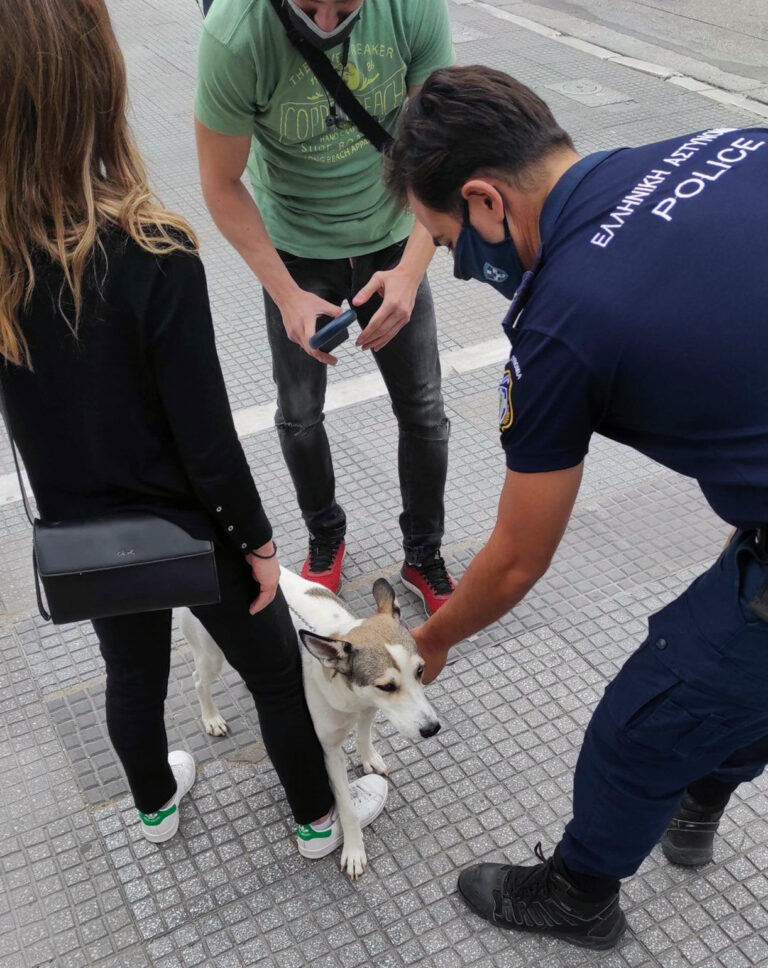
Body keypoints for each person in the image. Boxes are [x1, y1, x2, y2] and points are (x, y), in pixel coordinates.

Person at [385, 65, 768, 950]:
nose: (459, 262)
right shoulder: (711, 145)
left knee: (640, 725)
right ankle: (705, 789)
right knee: (735, 670)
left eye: (447, 242)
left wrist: (433, 637)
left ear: (484, 202)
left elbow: (519, 558)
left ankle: (579, 897)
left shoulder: (560, 319)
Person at [0, 0, 385, 854]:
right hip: (196, 528)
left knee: (131, 674)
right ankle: (321, 823)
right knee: (277, 674)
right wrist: (257, 543)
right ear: (97, 83)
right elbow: (205, 440)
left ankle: (155, 808)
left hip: (85, 536)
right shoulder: (153, 248)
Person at [193, 0, 456, 613]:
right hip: (295, 247)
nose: (330, 21)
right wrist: (286, 293)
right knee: (300, 412)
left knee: (423, 408)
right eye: (311, 6)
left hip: (395, 234)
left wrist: (412, 270)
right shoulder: (234, 34)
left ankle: (424, 553)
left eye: (346, 4)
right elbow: (219, 181)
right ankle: (324, 534)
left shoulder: (413, 9)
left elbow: (441, 155)